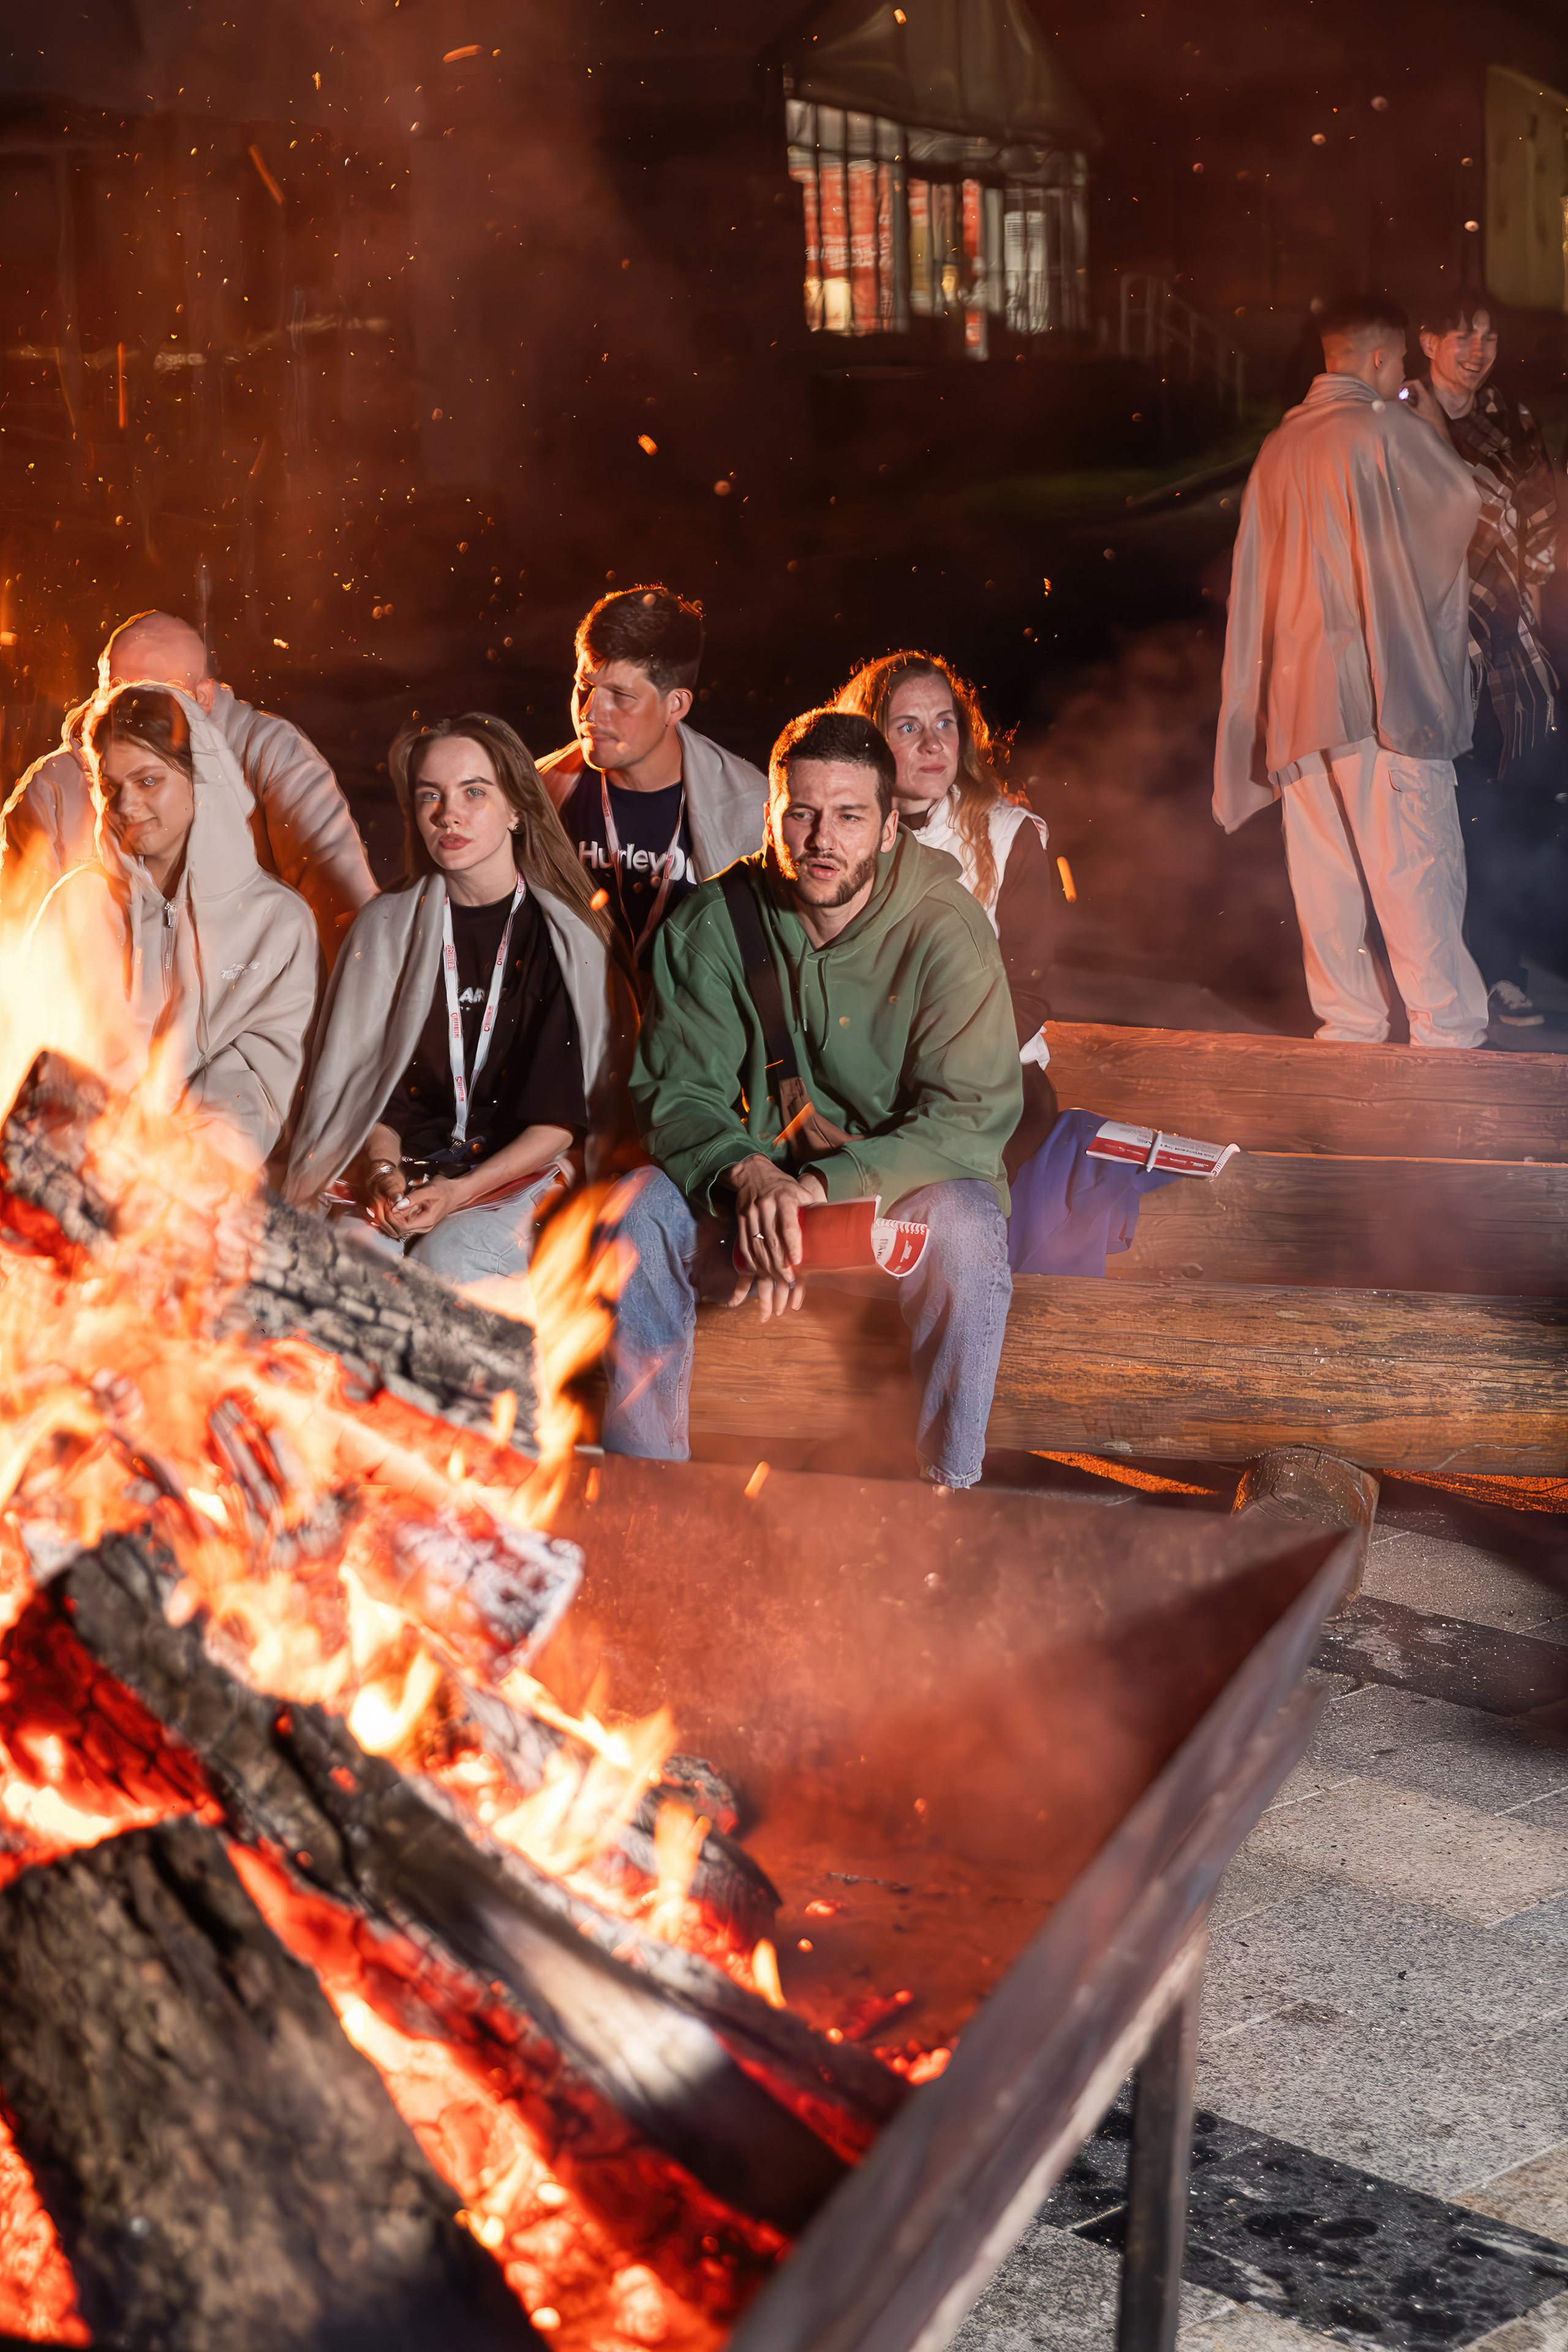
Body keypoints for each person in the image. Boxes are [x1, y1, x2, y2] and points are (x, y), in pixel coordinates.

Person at [604, 706, 1020, 1490]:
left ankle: (947, 1496)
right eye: (801, 813)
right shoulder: (711, 924)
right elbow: (677, 1094)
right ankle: (645, 1496)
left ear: (891, 828)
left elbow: (969, 1118)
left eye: (850, 816)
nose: (821, 839)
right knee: (635, 1207)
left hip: (892, 1212)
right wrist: (747, 1174)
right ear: (770, 816)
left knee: (968, 1224)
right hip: (750, 1209)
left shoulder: (947, 931)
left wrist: (822, 1185)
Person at [837, 649, 1178, 1275]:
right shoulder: (841, 832)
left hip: (995, 1080)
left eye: (945, 723)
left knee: (940, 1192)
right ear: (868, 741)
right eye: (907, 727)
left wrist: (935, 1072)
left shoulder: (1005, 834)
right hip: (868, 1078)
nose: (933, 743)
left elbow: (1029, 993)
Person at [1214, 294, 1490, 1049]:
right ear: (1376, 359)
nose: (1403, 373)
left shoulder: (1279, 448)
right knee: (1414, 875)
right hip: (1378, 699)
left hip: (1297, 706)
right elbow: (1460, 509)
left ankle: (1349, 1029)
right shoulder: (1385, 430)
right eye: (1399, 360)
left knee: (1326, 884)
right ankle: (1445, 1042)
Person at [284, 712, 633, 1285]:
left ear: (518, 809)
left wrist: (459, 1191)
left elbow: (558, 1125)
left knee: (450, 1262)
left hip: (523, 1171)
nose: (449, 814)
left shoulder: (565, 940)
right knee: (346, 1264)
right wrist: (381, 1171)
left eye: (474, 792)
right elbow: (367, 1094)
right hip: (407, 1166)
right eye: (431, 796)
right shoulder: (385, 927)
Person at [2, 609, 376, 962]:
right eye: (115, 692)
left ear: (203, 698)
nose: (130, 715)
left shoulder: (271, 753)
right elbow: (15, 936)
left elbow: (348, 916)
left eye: (154, 699)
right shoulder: (55, 788)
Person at [50, 684, 321, 1167]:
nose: (126, 806)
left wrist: (176, 1168)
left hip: (199, 1184)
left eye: (149, 781)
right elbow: (34, 1045)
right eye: (112, 787)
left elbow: (257, 1083)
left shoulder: (277, 920)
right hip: (77, 1165)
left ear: (202, 777)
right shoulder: (77, 902)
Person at [1419, 291, 1562, 1026]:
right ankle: (1479, 969)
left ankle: (1504, 962)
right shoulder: (1408, 419)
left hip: (1514, 649)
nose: (1476, 350)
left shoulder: (1513, 419)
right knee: (1459, 820)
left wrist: (1531, 592)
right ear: (1427, 340)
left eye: (1488, 338)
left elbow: (1545, 514)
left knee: (1518, 813)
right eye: (1461, 335)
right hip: (1436, 649)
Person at [538, 584, 767, 987]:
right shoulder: (536, 789)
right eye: (585, 686)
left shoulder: (755, 809)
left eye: (621, 696)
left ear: (675, 705)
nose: (591, 712)